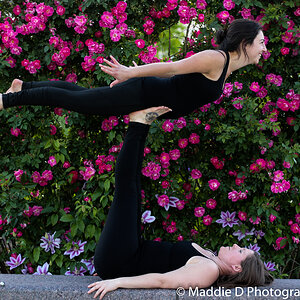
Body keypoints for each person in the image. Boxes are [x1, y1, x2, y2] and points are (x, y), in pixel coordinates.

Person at [86, 106, 273, 300]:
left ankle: (138, 123)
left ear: (236, 268)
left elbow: (163, 281)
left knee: (127, 187)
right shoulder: (211, 259)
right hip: (128, 253)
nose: (235, 245)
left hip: (120, 260)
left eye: (240, 251)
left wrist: (117, 281)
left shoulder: (209, 270)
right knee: (131, 185)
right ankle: (142, 122)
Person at [0, 19, 267, 118]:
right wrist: (129, 73)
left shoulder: (228, 68)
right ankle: (7, 99)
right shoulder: (216, 59)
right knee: (77, 101)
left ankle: (24, 87)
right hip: (141, 92)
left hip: (144, 98)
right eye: (261, 42)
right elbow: (171, 68)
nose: (265, 49)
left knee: (82, 94)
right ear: (244, 42)